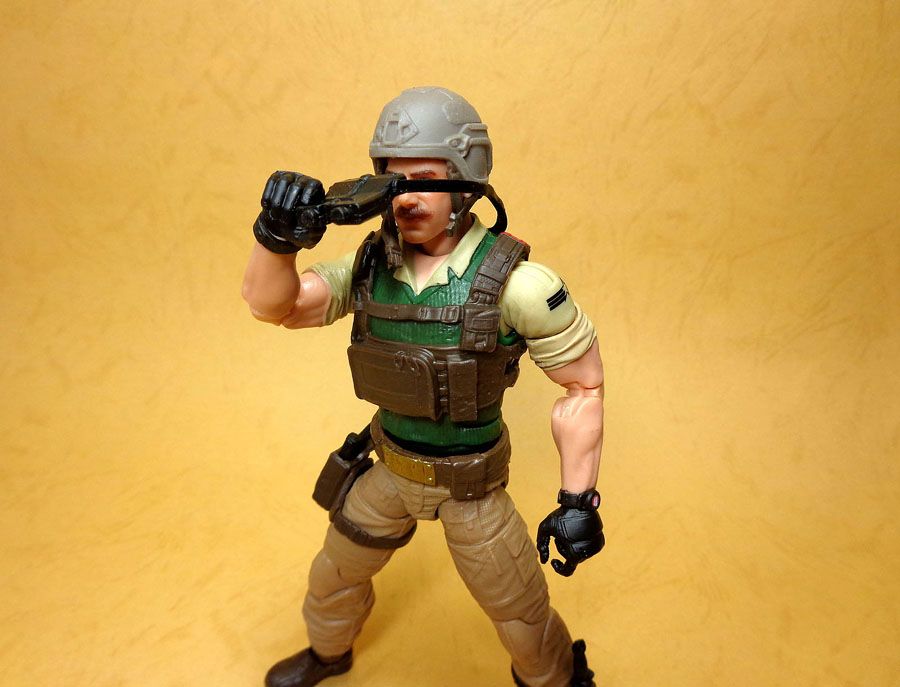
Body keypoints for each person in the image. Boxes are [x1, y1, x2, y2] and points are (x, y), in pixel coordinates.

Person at [242, 87, 605, 687]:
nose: (404, 196)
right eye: (392, 179)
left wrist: (577, 501)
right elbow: (275, 305)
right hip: (389, 470)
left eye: (424, 179)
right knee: (334, 576)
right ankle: (328, 654)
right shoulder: (370, 265)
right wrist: (274, 238)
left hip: (471, 489)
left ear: (466, 181)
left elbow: (583, 387)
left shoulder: (520, 285)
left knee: (521, 616)